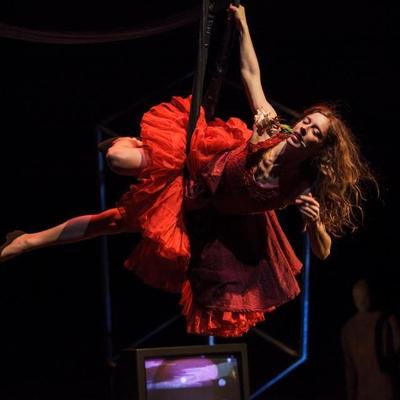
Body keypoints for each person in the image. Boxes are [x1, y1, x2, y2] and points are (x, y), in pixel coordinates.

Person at [0, 5, 376, 337]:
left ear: (320, 149)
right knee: (118, 159)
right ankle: (136, 145)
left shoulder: (303, 182)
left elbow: (323, 252)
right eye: (307, 122)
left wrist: (315, 225)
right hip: (196, 163)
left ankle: (27, 241)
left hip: (208, 213)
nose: (305, 131)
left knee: (115, 222)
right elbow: (249, 73)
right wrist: (242, 22)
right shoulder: (272, 129)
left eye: (314, 133)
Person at [341, 279, 400, 400]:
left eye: (365, 296)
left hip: (386, 390)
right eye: (358, 297)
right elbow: (350, 367)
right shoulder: (348, 329)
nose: (362, 301)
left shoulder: (388, 321)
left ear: (372, 296)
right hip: (363, 393)